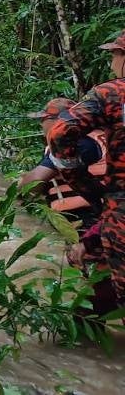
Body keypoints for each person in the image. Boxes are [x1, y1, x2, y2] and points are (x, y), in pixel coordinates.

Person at [47, 30, 125, 311]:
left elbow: (60, 133)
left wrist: (82, 182)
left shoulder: (112, 93)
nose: (112, 62)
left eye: (115, 54)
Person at [18, 97, 107, 230]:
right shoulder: (103, 136)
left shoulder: (74, 144)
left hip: (86, 218)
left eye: (43, 120)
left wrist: (16, 192)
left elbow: (34, 182)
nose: (41, 125)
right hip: (108, 212)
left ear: (60, 122)